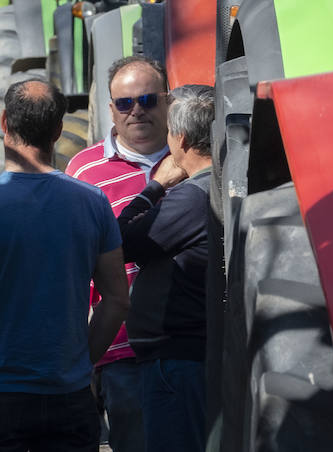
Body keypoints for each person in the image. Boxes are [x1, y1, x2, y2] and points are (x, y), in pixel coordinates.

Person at [0, 80, 130, 452]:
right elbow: (116, 300)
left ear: (3, 123)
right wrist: (83, 361)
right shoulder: (92, 203)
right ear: (59, 130)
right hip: (68, 391)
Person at [64, 57, 171, 452]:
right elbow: (73, 270)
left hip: (192, 341)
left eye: (147, 99)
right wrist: (82, 356)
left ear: (167, 100)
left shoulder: (195, 158)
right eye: (125, 103)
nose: (137, 110)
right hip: (121, 349)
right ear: (111, 109)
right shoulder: (84, 173)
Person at [116, 85, 214, 452]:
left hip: (177, 363)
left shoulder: (191, 196)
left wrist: (154, 187)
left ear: (182, 138)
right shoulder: (207, 190)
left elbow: (122, 240)